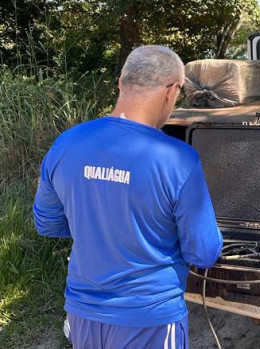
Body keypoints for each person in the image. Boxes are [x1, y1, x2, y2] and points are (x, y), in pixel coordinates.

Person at [33, 45, 223, 348]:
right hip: (149, 319)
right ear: (172, 91)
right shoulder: (178, 159)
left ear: (121, 81)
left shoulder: (66, 143)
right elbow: (203, 251)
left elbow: (47, 223)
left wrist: (99, 228)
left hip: (83, 314)